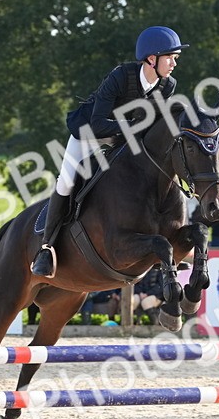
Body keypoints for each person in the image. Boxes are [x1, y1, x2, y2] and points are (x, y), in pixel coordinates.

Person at [31, 25, 187, 277]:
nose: (173, 63)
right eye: (170, 57)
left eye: (175, 58)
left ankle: (165, 247)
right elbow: (98, 123)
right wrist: (134, 127)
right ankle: (47, 248)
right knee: (66, 182)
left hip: (123, 138)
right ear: (151, 58)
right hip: (89, 133)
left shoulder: (167, 85)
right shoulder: (120, 77)